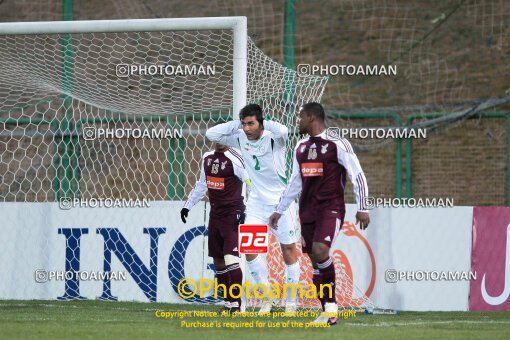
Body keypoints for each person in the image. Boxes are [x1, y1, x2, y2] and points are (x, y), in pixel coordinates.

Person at [269, 102, 370, 325]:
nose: (298, 121)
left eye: (301, 116)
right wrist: (279, 210)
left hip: (330, 207)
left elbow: (358, 175)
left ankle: (332, 308)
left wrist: (363, 206)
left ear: (312, 117)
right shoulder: (301, 147)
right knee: (315, 261)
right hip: (307, 210)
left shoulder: (337, 144)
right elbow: (295, 182)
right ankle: (325, 310)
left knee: (320, 250)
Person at [205, 104, 300, 313]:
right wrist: (235, 124)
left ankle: (291, 303)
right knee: (248, 250)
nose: (247, 128)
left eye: (251, 123)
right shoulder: (239, 137)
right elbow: (211, 134)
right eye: (244, 124)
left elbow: (283, 130)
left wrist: (266, 122)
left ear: (261, 123)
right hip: (256, 202)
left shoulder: (274, 139)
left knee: (289, 250)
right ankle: (267, 299)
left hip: (281, 202)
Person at [180, 142, 249, 312]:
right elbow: (202, 184)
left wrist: (246, 208)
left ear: (228, 138)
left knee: (231, 258)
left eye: (222, 137)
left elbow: (249, 182)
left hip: (233, 213)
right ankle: (227, 303)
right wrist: (187, 205)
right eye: (216, 137)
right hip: (215, 214)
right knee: (218, 261)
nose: (219, 141)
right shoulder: (207, 157)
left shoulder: (236, 157)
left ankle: (237, 305)